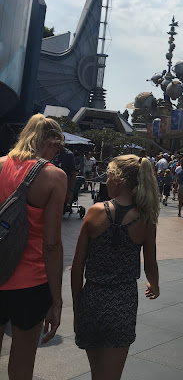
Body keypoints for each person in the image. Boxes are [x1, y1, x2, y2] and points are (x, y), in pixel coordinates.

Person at [71, 155, 159, 380]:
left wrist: (77, 306)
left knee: (96, 373)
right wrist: (154, 284)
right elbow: (150, 263)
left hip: (92, 298)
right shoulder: (146, 220)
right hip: (122, 301)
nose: (106, 181)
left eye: (108, 176)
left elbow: (77, 266)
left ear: (118, 180)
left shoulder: (95, 212)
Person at [0, 114, 67, 379]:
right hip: (31, 282)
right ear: (51, 141)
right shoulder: (53, 176)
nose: (57, 154)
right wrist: (57, 300)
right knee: (22, 360)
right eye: (58, 147)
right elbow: (51, 244)